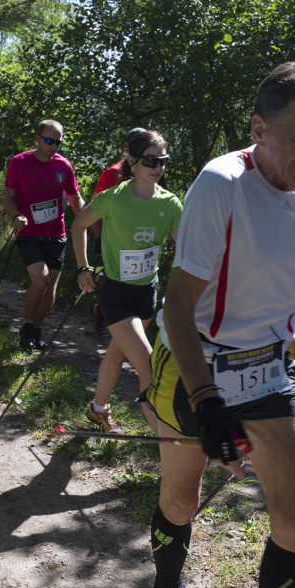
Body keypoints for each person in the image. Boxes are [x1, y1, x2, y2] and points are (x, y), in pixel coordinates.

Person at [141, 62, 295, 588]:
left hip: (268, 368)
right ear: (259, 129)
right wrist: (207, 401)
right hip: (195, 360)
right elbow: (180, 305)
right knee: (181, 500)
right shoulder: (220, 183)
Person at [72, 130, 182, 433]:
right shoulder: (113, 198)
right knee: (148, 365)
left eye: (162, 161)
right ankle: (164, 438)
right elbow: (78, 225)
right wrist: (83, 268)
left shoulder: (171, 204)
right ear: (132, 161)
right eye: (150, 160)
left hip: (148, 292)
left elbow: (188, 250)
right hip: (116, 293)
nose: (157, 167)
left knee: (119, 351)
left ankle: (97, 410)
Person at [3, 119, 84, 352]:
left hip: (56, 234)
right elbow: (9, 198)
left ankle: (37, 329)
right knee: (41, 280)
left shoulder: (63, 166)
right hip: (28, 231)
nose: (54, 147)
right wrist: (15, 215)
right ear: (37, 139)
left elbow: (75, 198)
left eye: (58, 142)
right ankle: (26, 325)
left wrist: (89, 218)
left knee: (50, 289)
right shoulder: (19, 162)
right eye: (49, 141)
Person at [89, 127, 145, 335]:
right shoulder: (114, 173)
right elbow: (94, 210)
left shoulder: (152, 169)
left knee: (134, 288)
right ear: (127, 147)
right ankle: (111, 320)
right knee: (117, 285)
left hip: (142, 240)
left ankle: (103, 313)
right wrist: (98, 242)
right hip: (113, 240)